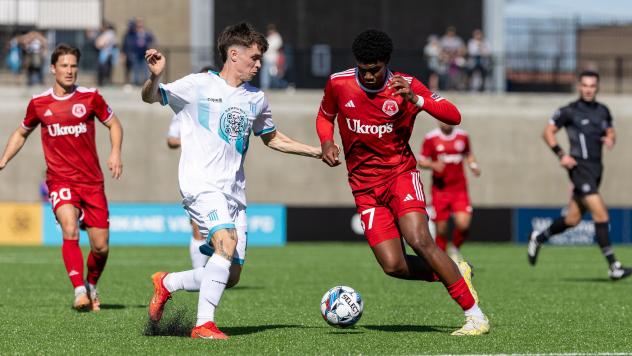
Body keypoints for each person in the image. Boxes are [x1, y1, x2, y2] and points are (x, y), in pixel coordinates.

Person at [141, 22, 321, 339]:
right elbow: (151, 96)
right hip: (201, 185)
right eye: (254, 57)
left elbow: (272, 138)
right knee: (225, 243)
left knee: (230, 274)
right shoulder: (197, 85)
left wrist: (316, 152)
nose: (258, 64)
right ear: (233, 54)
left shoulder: (256, 98)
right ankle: (203, 325)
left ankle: (167, 283)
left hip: (234, 193)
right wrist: (155, 75)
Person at [316, 29, 489, 336]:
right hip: (364, 187)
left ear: (387, 64)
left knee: (420, 240)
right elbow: (325, 116)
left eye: (375, 70)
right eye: (363, 69)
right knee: (393, 265)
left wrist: (417, 99)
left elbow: (454, 116)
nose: (368, 76)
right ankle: (455, 273)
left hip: (400, 175)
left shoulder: (406, 86)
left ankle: (475, 317)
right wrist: (327, 142)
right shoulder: (338, 83)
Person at [0, 44, 124, 311]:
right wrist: (4, 158)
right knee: (69, 228)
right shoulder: (39, 103)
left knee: (100, 248)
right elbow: (21, 133)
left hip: (92, 182)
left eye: (73, 66)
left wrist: (115, 152)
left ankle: (91, 285)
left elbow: (114, 124)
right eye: (64, 66)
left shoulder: (91, 97)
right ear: (53, 68)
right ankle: (79, 290)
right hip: (60, 180)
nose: (69, 71)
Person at [527, 70, 632, 281]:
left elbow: (610, 130)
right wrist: (561, 155)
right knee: (601, 215)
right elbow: (547, 132)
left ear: (597, 87)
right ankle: (614, 266)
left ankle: (539, 237)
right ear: (579, 86)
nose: (588, 89)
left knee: (572, 219)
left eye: (592, 86)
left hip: (596, 170)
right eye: (585, 85)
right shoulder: (569, 111)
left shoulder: (603, 110)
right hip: (579, 169)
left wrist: (611, 138)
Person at [165, 66, 216, 269]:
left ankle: (209, 271)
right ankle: (198, 273)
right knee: (198, 228)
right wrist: (191, 140)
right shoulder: (185, 108)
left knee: (219, 229)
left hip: (221, 175)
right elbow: (171, 140)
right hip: (196, 173)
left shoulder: (222, 107)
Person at [418, 122, 481, 262]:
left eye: (448, 120)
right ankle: (442, 259)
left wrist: (473, 166)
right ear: (438, 121)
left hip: (459, 189)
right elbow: (421, 161)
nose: (445, 123)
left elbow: (468, 154)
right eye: (442, 120)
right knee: (441, 228)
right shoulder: (431, 138)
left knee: (463, 224)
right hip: (440, 191)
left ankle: (455, 249)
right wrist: (433, 165)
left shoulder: (463, 136)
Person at [260, 24, 283, 90]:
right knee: (266, 73)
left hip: (273, 59)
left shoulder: (277, 37)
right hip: (267, 58)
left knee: (273, 74)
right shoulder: (269, 37)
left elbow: (274, 47)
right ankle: (266, 86)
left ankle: (278, 86)